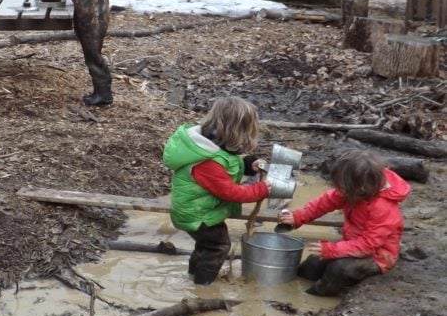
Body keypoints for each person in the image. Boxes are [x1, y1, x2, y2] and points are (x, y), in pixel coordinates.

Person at [163, 96, 271, 285]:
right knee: (219, 246)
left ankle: (193, 276)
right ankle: (202, 287)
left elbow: (229, 161)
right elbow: (229, 192)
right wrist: (260, 190)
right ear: (234, 131)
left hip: (195, 210)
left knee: (205, 245)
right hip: (198, 215)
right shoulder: (207, 161)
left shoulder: (209, 143)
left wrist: (248, 164)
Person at [279, 149, 410, 296]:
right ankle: (292, 289)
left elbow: (368, 245)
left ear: (359, 187)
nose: (339, 190)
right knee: (313, 263)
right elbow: (325, 202)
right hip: (352, 243)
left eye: (341, 186)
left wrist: (332, 250)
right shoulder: (353, 190)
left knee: (339, 269)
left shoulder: (383, 208)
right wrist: (298, 217)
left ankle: (314, 294)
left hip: (377, 255)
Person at [60, 0, 112, 106]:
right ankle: (99, 92)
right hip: (88, 23)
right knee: (91, 57)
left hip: (93, 24)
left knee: (94, 57)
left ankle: (104, 95)